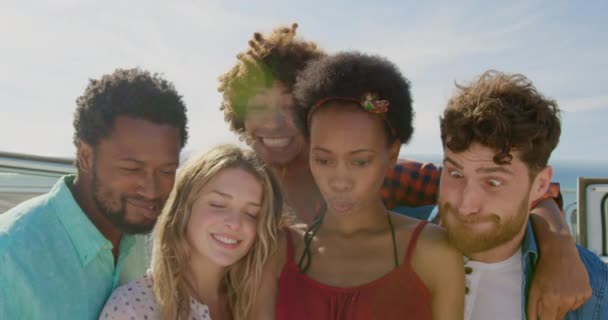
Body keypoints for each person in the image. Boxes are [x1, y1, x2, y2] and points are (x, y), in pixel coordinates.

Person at [219, 23, 591, 314]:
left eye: (288, 105)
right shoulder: (229, 190)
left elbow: (490, 192)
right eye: (257, 106)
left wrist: (559, 246)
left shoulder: (386, 180)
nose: (274, 123)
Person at [254, 52, 465, 319]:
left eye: (361, 162)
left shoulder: (435, 252)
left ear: (392, 155)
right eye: (323, 159)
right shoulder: (276, 253)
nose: (339, 181)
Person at [0, 68, 188, 319]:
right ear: (86, 156)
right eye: (132, 168)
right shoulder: (10, 255)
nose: (152, 189)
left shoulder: (154, 244)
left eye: (166, 171)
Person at [438, 71, 608, 320]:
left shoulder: (593, 291)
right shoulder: (393, 241)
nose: (466, 205)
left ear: (540, 185)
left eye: (493, 181)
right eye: (455, 174)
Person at [99, 145, 285, 320]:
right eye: (218, 204)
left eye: (251, 213)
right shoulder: (133, 307)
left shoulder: (262, 303)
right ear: (182, 208)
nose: (235, 223)